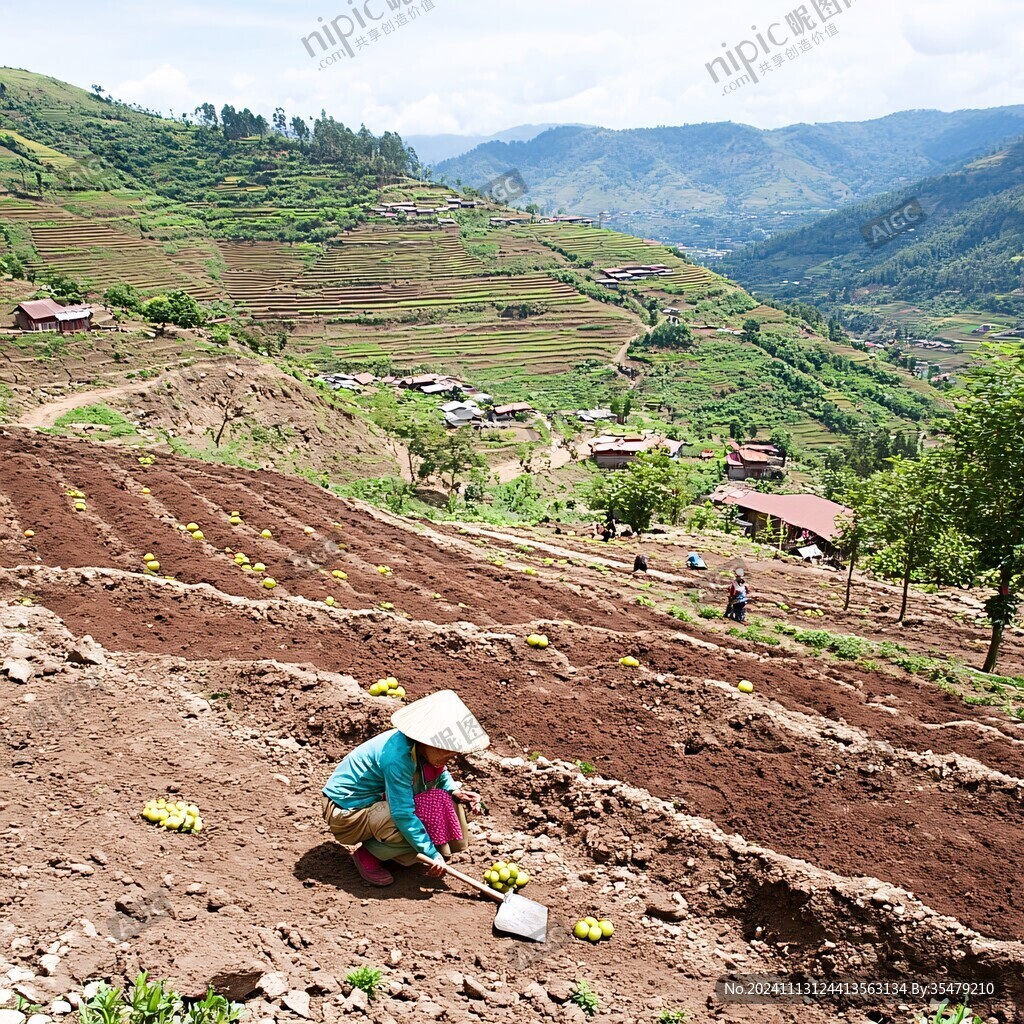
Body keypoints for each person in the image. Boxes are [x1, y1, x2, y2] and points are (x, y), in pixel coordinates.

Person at [321, 690, 488, 888]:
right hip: (346, 811)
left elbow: (441, 774)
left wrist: (454, 791)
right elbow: (402, 813)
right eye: (446, 750)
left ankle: (395, 852)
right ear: (428, 740)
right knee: (406, 820)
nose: (450, 756)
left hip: (375, 801)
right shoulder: (397, 758)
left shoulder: (419, 748)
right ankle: (368, 855)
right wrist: (431, 854)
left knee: (447, 800)